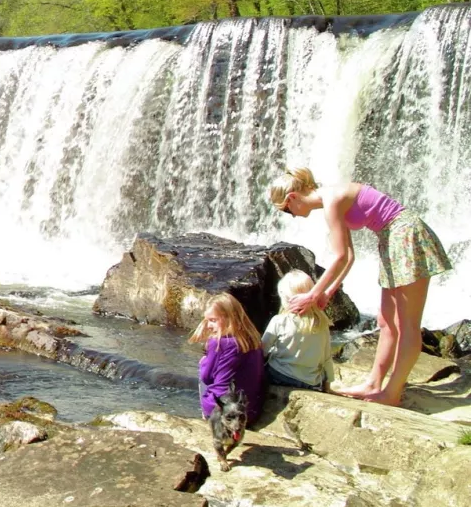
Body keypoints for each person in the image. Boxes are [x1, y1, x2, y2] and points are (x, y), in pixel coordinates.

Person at [269, 167, 453, 405]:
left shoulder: (332, 199)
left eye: (287, 210)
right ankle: (374, 383)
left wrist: (312, 296)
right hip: (391, 240)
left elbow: (340, 257)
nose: (291, 215)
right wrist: (327, 291)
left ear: (292, 198)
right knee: (386, 321)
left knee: (408, 325)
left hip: (406, 237)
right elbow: (350, 256)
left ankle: (392, 392)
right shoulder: (331, 200)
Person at [191, 293, 265, 422]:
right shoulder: (253, 339)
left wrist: (204, 363)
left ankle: (205, 416)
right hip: (249, 412)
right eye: (207, 320)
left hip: (222, 413)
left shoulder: (219, 343)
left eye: (213, 320)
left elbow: (206, 377)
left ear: (229, 318)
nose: (208, 326)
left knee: (204, 366)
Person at [262, 270, 335, 391]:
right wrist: (327, 387)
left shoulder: (280, 320)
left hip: (280, 376)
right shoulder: (323, 324)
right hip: (311, 382)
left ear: (285, 298)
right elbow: (327, 358)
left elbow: (262, 351)